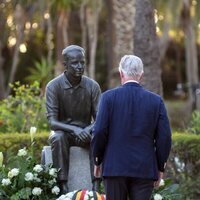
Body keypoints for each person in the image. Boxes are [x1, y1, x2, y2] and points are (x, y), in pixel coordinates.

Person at [91, 55, 172, 200]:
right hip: (144, 169)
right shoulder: (156, 101)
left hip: (114, 167)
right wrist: (160, 167)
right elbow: (164, 138)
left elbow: (99, 131)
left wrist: (97, 160)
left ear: (121, 73)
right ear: (141, 75)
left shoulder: (108, 98)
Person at [45, 45, 101, 194]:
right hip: (63, 132)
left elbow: (100, 119)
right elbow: (52, 122)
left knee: (99, 135)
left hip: (85, 132)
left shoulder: (92, 86)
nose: (80, 66)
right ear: (65, 65)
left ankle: (96, 185)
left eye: (82, 62)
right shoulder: (53, 86)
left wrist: (88, 129)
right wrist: (75, 129)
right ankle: (62, 186)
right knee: (58, 137)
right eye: (75, 63)